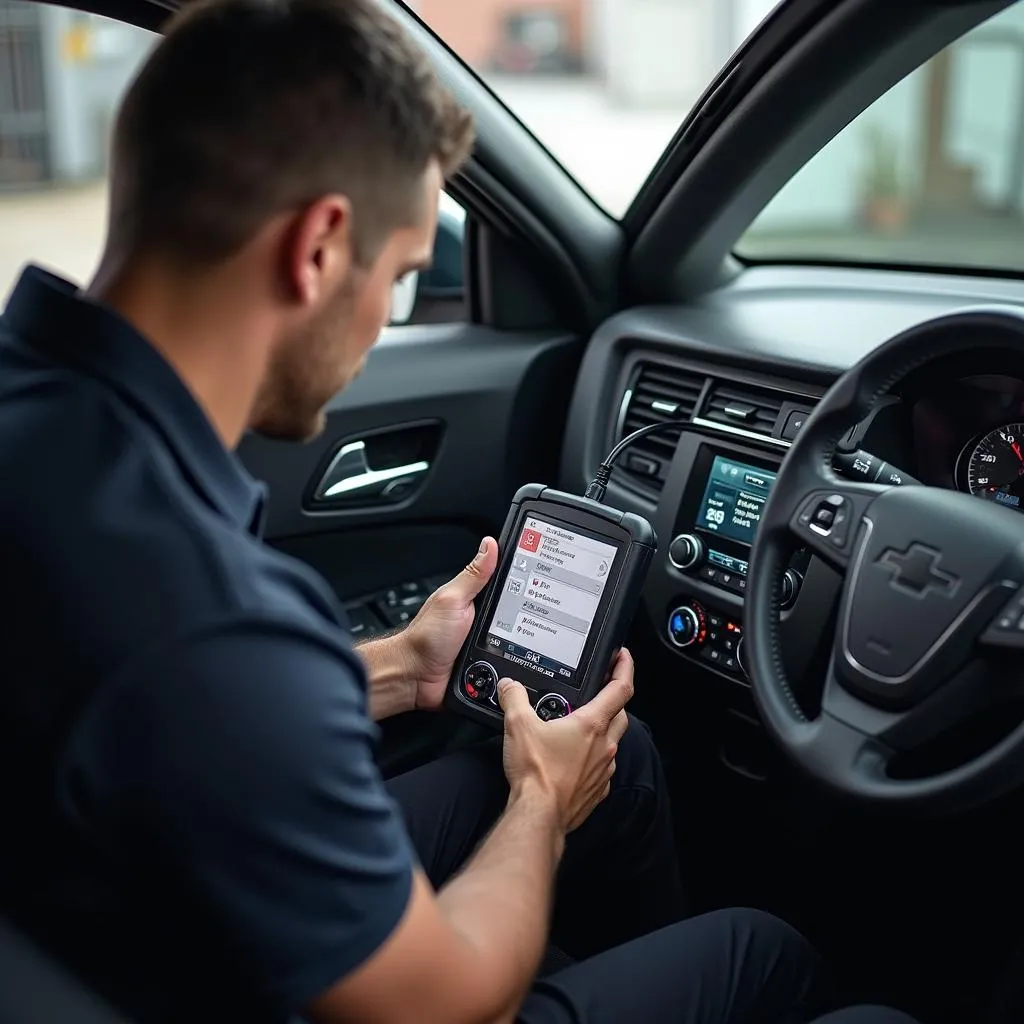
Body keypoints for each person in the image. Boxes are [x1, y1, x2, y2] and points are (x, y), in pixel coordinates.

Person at [0, 0, 919, 1022]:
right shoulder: (211, 612)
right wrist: (538, 799)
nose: (377, 324)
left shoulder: (41, 432)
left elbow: (179, 711)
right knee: (767, 954)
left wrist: (399, 666)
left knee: (631, 768)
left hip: (128, 905)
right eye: (397, 280)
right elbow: (442, 1003)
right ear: (317, 250)